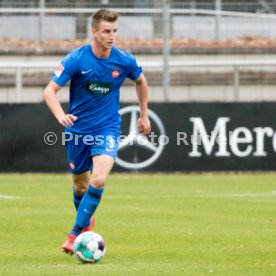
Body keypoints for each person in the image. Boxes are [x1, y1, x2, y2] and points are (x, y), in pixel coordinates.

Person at [43, 9, 151, 254]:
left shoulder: (123, 60)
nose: (111, 36)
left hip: (107, 129)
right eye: (106, 31)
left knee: (99, 179)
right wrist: (61, 115)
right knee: (81, 188)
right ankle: (86, 222)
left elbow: (141, 81)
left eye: (114, 31)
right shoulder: (76, 59)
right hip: (78, 132)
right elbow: (49, 91)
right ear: (94, 31)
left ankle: (73, 235)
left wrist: (144, 113)